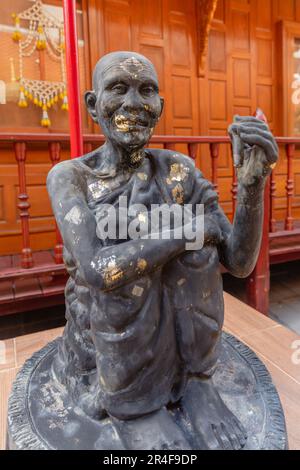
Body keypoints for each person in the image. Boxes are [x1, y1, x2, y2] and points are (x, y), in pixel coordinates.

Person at [47, 51, 278, 450]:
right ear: (92, 104)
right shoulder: (72, 178)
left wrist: (252, 187)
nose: (133, 103)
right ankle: (135, 405)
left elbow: (238, 263)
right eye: (118, 88)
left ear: (160, 108)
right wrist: (191, 230)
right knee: (133, 268)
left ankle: (195, 383)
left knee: (196, 256)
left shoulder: (179, 172)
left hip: (185, 343)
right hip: (108, 341)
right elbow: (99, 271)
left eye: (146, 91)